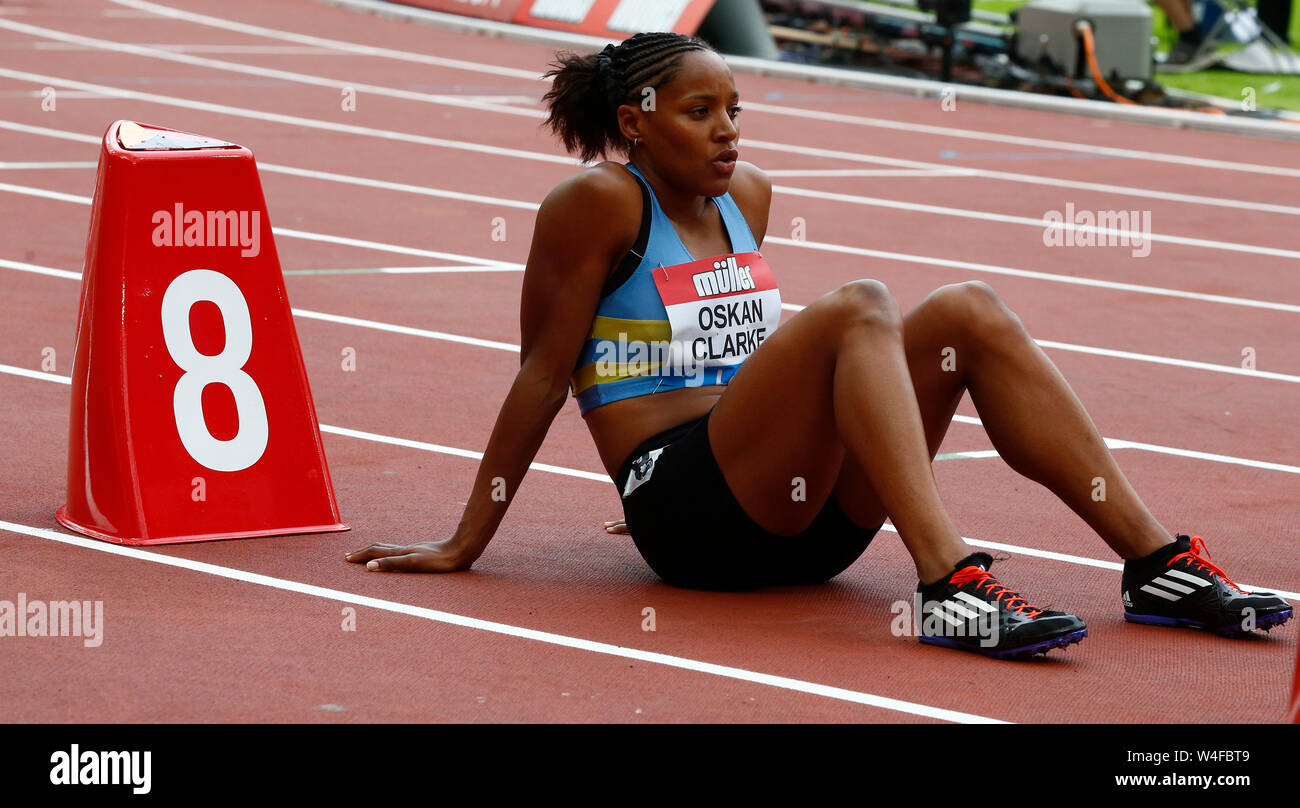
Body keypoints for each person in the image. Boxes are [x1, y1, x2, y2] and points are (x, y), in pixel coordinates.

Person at [346, 32, 1291, 659]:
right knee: (861, 304)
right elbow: (544, 374)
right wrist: (468, 539)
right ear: (635, 122)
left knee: (965, 309)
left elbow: (743, 360)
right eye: (699, 112)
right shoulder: (596, 203)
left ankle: (1158, 564)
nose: (727, 132)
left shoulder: (746, 195)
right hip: (690, 521)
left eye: (735, 109)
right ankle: (947, 583)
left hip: (801, 514)